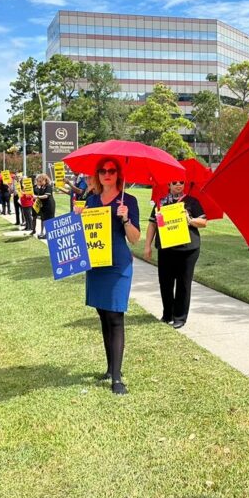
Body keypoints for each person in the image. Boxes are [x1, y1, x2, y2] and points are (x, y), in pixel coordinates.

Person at [82, 157, 140, 395]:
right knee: (104, 315)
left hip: (118, 265)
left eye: (112, 170)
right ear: (97, 174)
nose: (107, 174)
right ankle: (110, 367)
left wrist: (125, 218)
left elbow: (135, 238)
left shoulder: (129, 201)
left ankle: (117, 379)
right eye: (103, 170)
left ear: (118, 174)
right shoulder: (91, 200)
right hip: (96, 265)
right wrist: (78, 216)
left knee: (115, 315)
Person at [143, 178, 207, 328]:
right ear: (168, 185)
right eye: (174, 182)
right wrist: (147, 245)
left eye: (181, 182)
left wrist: (189, 220)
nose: (178, 185)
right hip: (166, 248)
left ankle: (180, 317)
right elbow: (152, 224)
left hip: (188, 249)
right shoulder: (161, 203)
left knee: (183, 284)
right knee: (165, 282)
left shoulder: (192, 202)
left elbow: (204, 222)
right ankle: (167, 314)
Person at [34, 173, 56, 239]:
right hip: (43, 206)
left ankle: (48, 234)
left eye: (40, 181)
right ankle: (42, 232)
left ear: (45, 180)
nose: (39, 182)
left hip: (49, 205)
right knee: (43, 219)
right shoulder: (42, 187)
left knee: (49, 220)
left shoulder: (48, 186)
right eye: (38, 181)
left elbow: (46, 196)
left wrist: (37, 197)